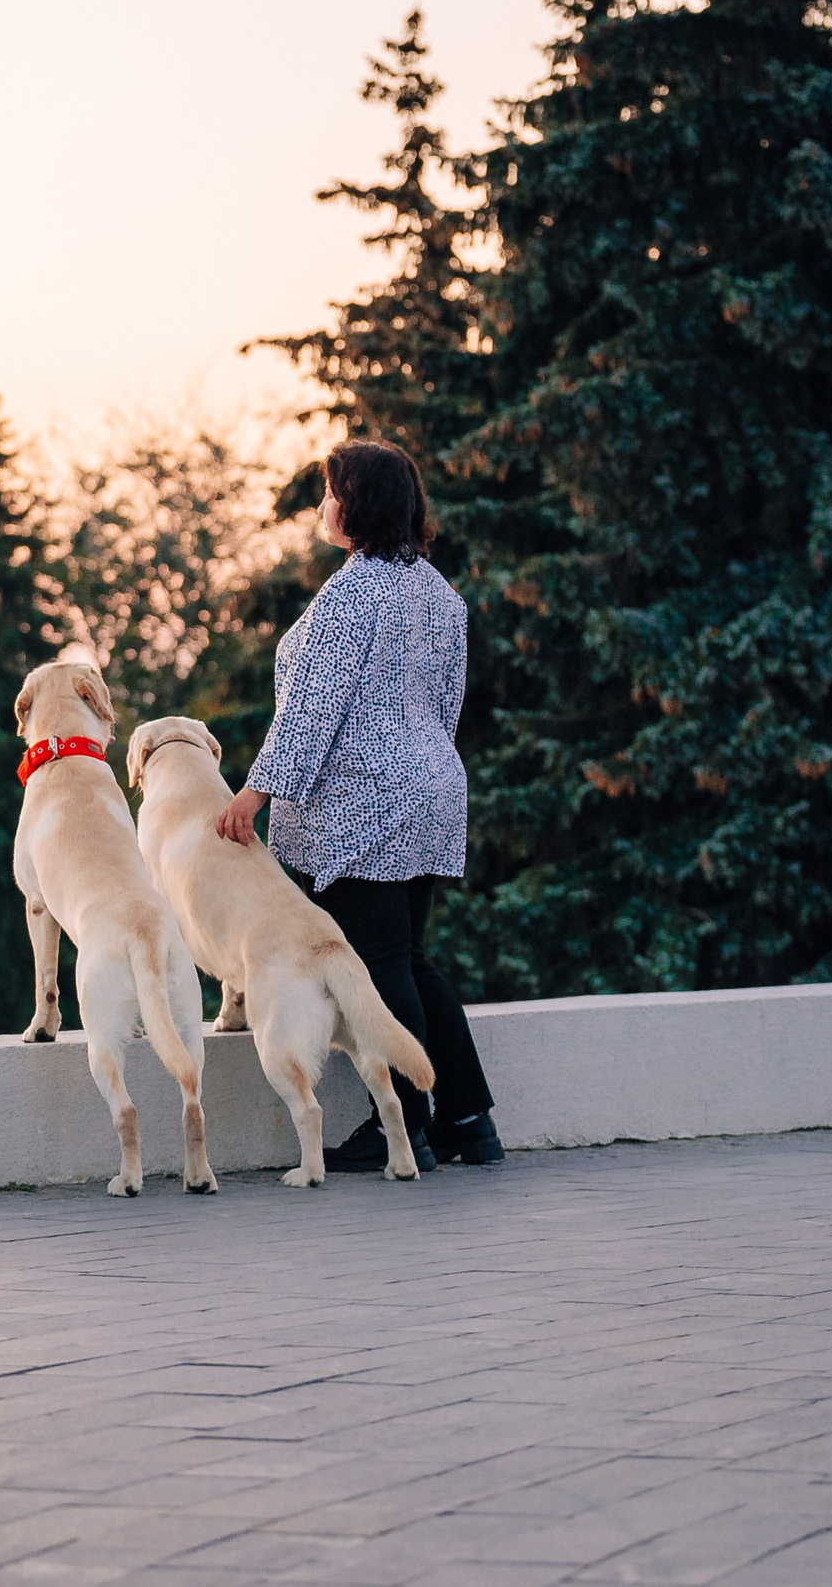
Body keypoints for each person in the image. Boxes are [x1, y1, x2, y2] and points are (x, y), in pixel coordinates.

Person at [215, 437, 501, 1173]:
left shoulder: (351, 595)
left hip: (367, 803)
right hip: (432, 785)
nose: (322, 506)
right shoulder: (438, 592)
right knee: (408, 955)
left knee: (378, 966)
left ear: (356, 505)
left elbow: (313, 707)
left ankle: (406, 1126)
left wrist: (255, 790)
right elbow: (447, 701)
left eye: (330, 492)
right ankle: (471, 1120)